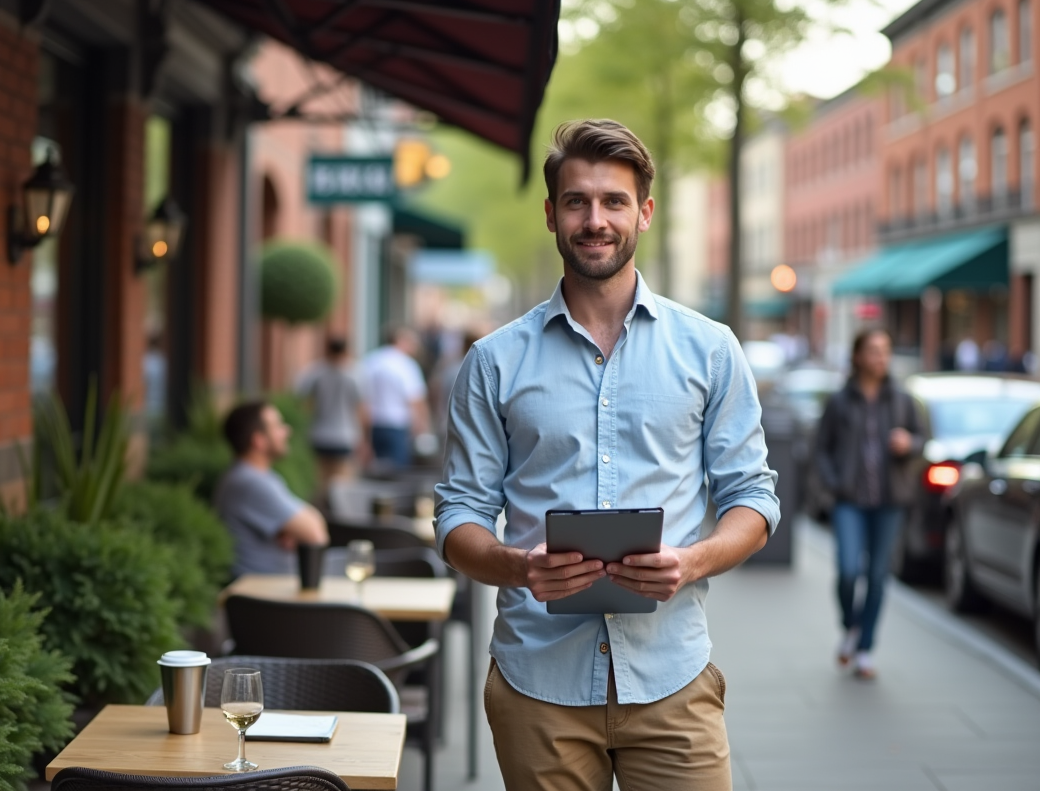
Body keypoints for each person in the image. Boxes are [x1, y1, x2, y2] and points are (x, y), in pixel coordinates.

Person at [434, 119, 779, 791]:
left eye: (614, 201)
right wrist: (516, 566)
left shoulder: (710, 350)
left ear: (644, 213)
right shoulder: (493, 362)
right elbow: (457, 518)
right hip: (538, 684)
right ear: (551, 214)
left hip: (673, 677)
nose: (596, 219)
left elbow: (753, 498)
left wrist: (692, 560)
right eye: (577, 201)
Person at [815, 328, 923, 680]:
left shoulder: (902, 399)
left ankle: (864, 649)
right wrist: (832, 482)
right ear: (858, 356)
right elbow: (821, 447)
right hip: (850, 501)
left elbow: (924, 440)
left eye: (886, 350)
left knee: (877, 576)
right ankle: (851, 625)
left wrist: (910, 443)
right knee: (848, 571)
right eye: (874, 350)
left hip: (890, 501)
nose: (881, 357)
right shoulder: (840, 401)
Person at [214, 400, 329, 578]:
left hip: (275, 587)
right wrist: (293, 529)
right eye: (277, 426)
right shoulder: (251, 483)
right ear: (258, 440)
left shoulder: (261, 476)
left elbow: (310, 528)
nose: (287, 431)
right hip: (264, 596)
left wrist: (290, 529)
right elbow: (316, 536)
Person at [295, 336, 367, 492]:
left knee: (321, 480)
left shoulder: (316, 371)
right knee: (343, 482)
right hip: (345, 434)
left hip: (319, 432)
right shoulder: (353, 372)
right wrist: (364, 436)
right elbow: (361, 407)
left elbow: (302, 400)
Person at [360, 326, 429, 467]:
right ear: (401, 341)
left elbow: (362, 397)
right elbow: (415, 399)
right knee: (397, 470)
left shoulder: (371, 360)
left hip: (373, 422)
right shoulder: (406, 364)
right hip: (397, 424)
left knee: (374, 468)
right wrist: (422, 425)